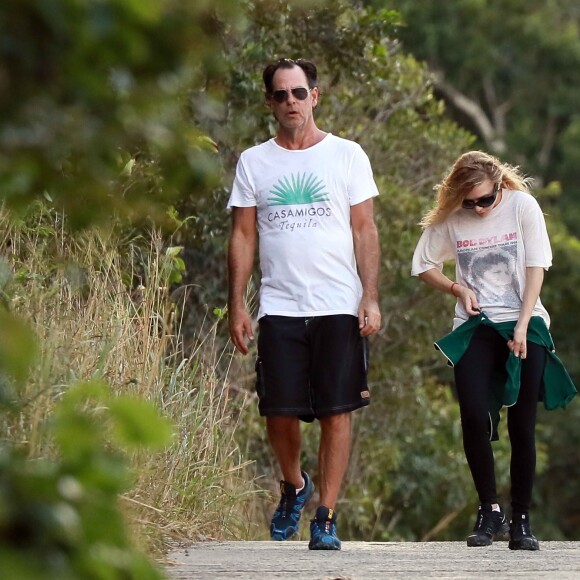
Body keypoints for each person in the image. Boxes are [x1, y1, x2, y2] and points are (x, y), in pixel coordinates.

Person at [227, 58, 381, 551]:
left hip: (337, 302)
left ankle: (326, 517)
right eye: (281, 95)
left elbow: (365, 229)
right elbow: (243, 235)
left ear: (315, 96)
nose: (290, 102)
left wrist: (370, 296)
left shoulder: (347, 155)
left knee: (338, 410)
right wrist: (238, 304)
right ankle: (295, 484)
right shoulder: (255, 161)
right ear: (270, 102)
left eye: (298, 93)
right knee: (278, 411)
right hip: (280, 304)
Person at [411, 151, 576, 550]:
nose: (479, 209)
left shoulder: (523, 207)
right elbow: (423, 263)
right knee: (472, 413)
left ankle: (521, 518)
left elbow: (536, 266)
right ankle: (490, 510)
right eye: (470, 203)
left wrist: (522, 325)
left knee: (522, 422)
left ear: (500, 186)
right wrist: (457, 288)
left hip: (525, 320)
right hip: (476, 324)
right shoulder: (454, 216)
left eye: (485, 200)